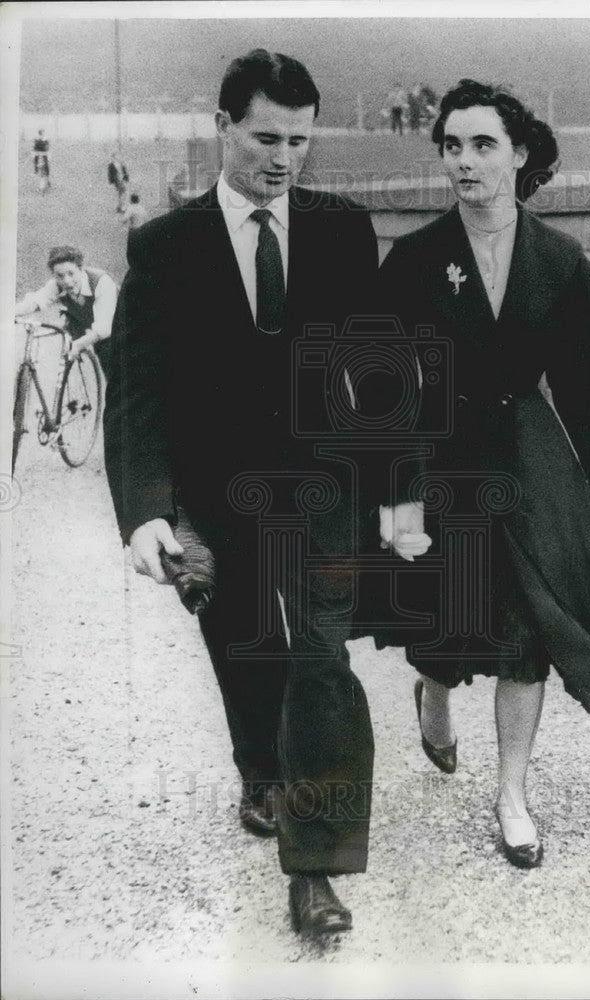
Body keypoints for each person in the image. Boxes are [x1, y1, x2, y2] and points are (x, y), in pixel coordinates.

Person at [103, 48, 426, 939]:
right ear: (222, 128)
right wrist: (146, 510)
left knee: (319, 661)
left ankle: (314, 869)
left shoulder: (340, 229)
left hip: (325, 490)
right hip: (216, 496)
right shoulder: (163, 247)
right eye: (265, 138)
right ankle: (258, 767)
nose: (284, 158)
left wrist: (399, 493)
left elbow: (380, 371)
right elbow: (137, 391)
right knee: (246, 646)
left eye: (299, 141)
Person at [378, 79, 590, 870]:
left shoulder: (560, 262)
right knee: (443, 615)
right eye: (452, 146)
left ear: (519, 153)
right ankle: (434, 697)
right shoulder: (413, 260)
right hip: (439, 454)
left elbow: (586, 379)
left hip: (527, 458)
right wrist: (397, 496)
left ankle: (510, 794)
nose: (464, 161)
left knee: (527, 630)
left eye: (482, 144)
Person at [14, 245, 117, 379]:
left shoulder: (102, 282)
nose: (67, 281)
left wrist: (79, 344)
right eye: (60, 276)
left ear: (80, 269)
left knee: (116, 374)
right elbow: (35, 301)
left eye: (71, 274)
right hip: (88, 327)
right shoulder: (56, 285)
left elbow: (105, 327)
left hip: (120, 331)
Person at [32, 129, 50, 193]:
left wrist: (47, 156)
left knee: (46, 171)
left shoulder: (46, 141)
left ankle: (46, 183)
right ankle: (41, 187)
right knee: (40, 173)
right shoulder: (37, 141)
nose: (43, 135)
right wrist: (36, 159)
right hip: (39, 158)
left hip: (44, 158)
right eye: (42, 134)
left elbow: (47, 149)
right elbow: (34, 150)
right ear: (39, 134)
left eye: (43, 134)